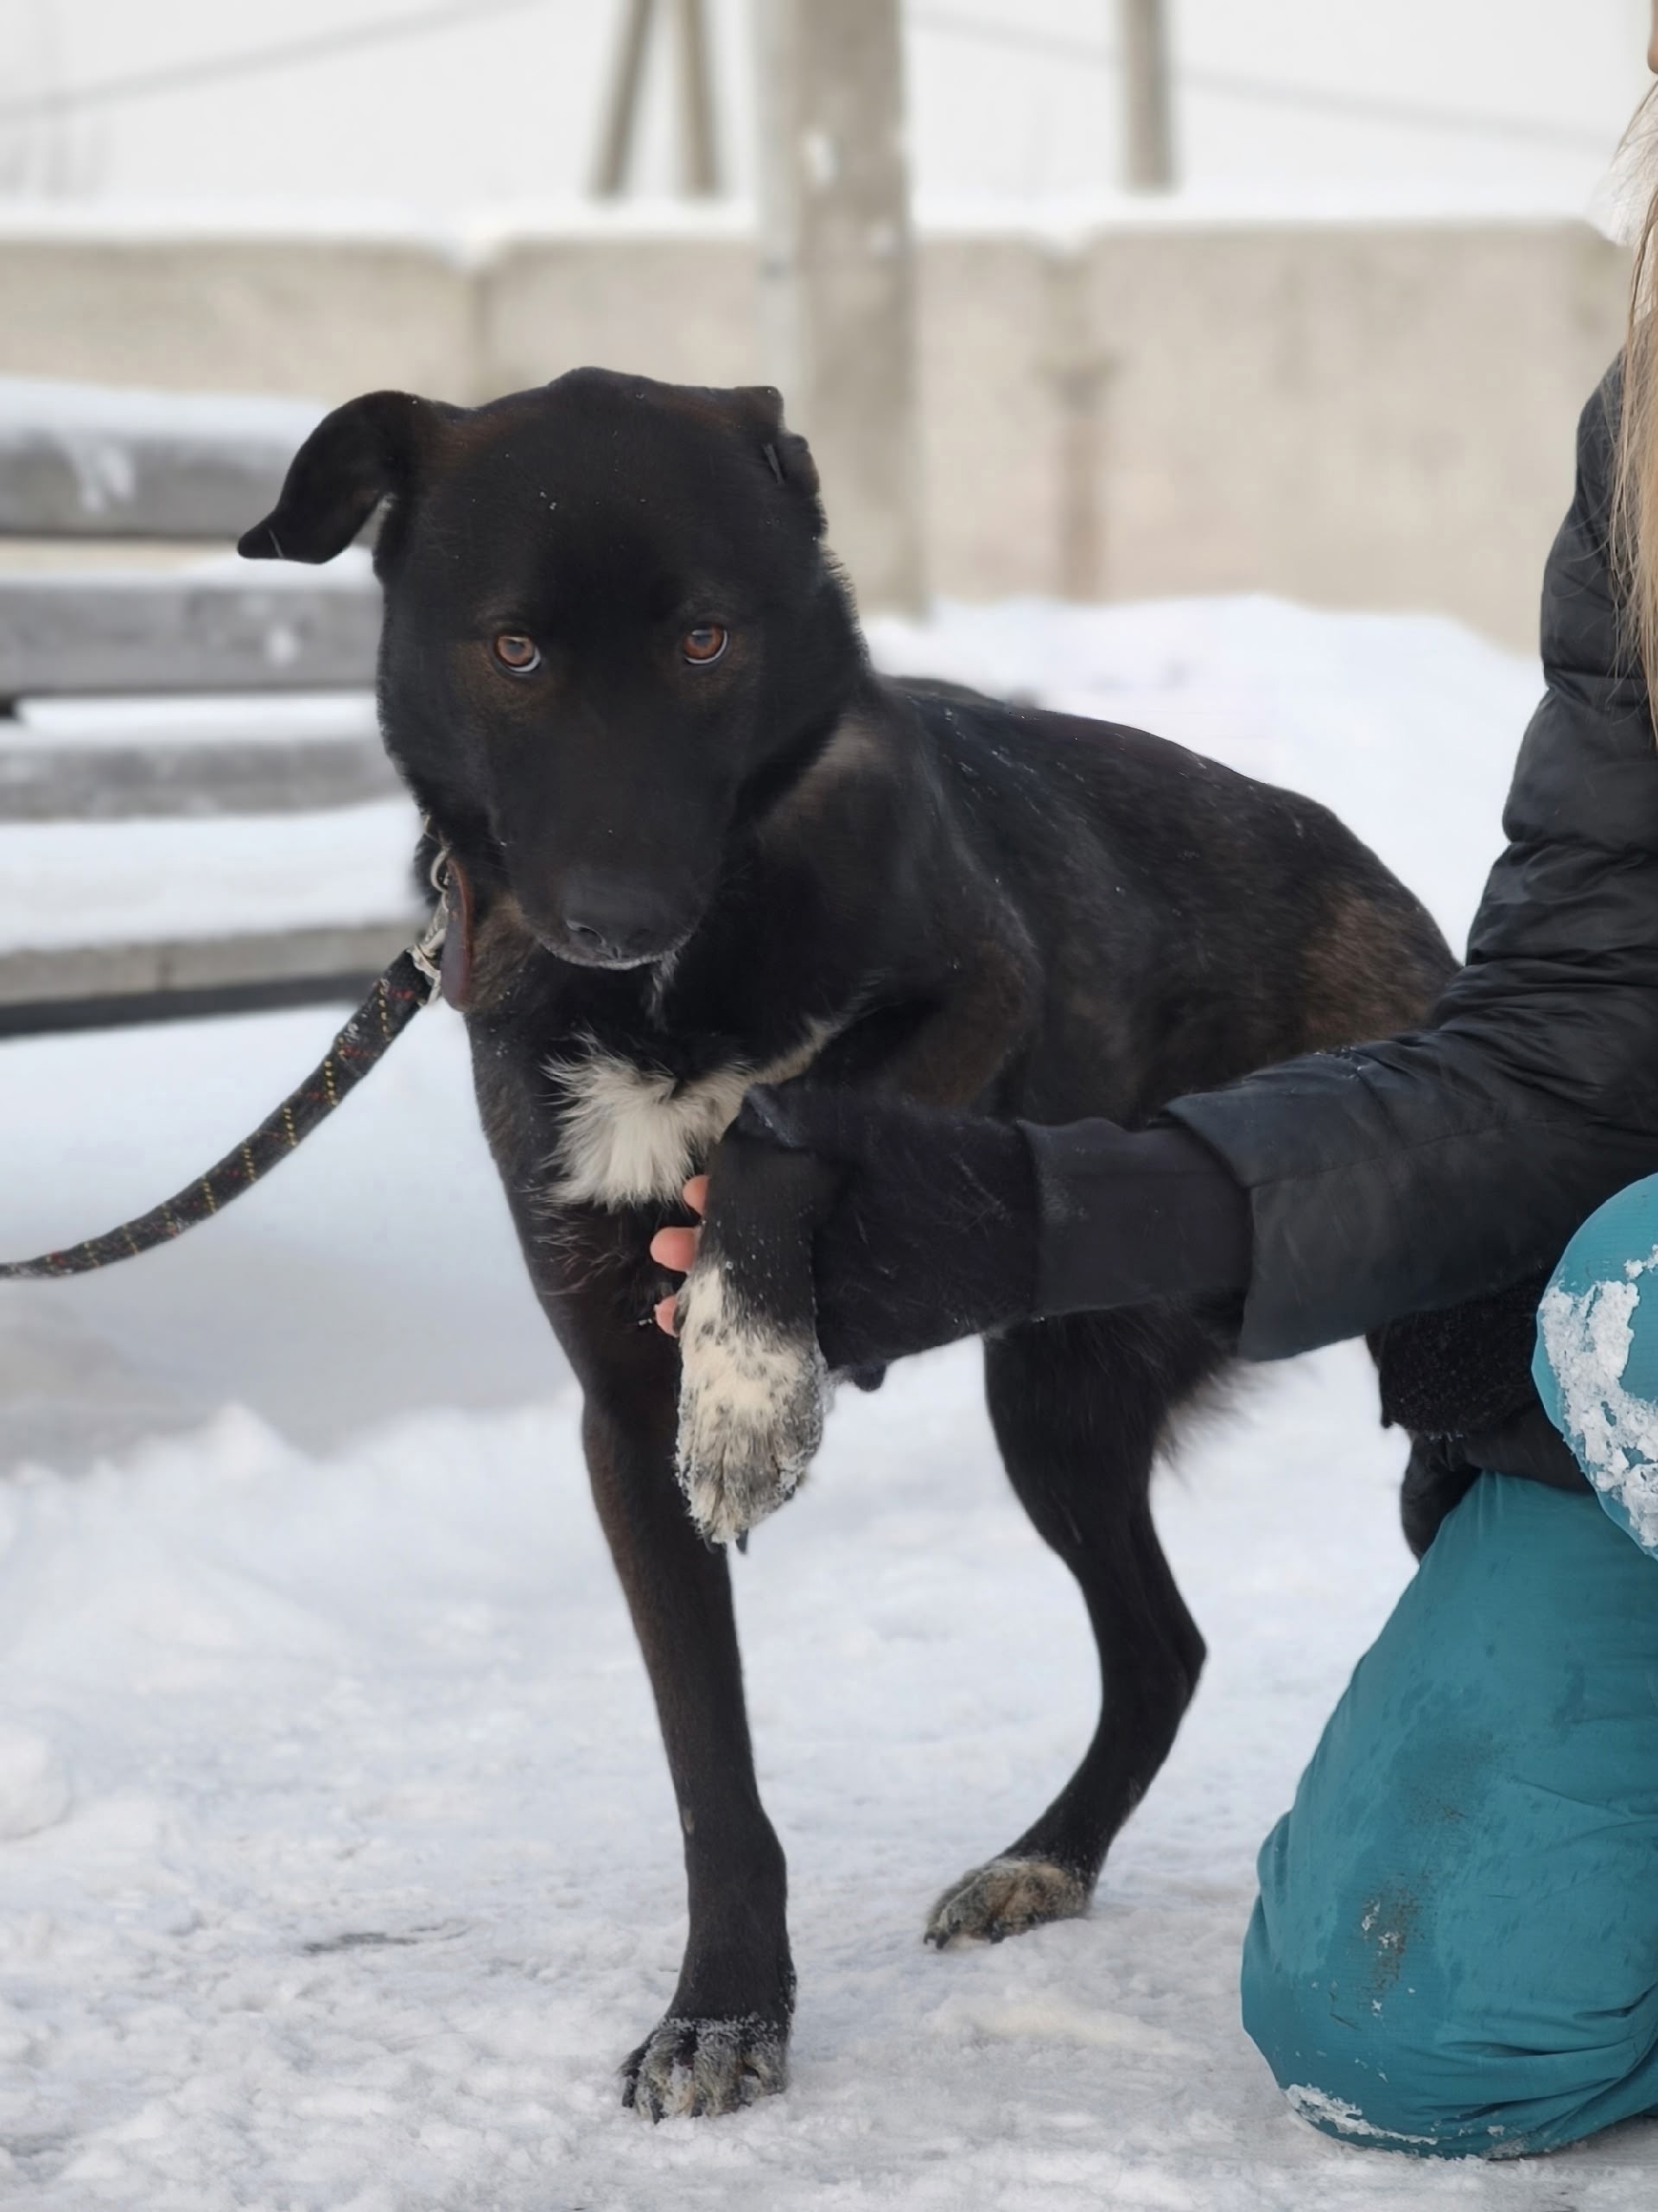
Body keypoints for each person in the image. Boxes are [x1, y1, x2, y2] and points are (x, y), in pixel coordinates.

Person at [649, 15, 1658, 2163]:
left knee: (1637, 1302)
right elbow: (1573, 1038)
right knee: (1406, 2017)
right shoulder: (1654, 445)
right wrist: (1035, 1216)